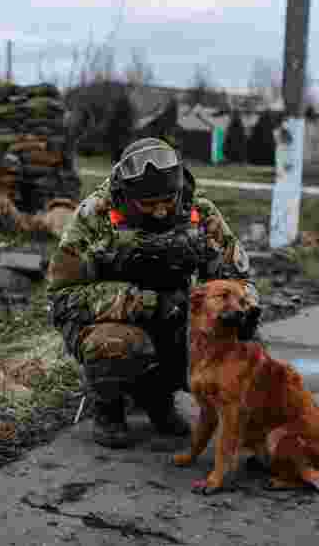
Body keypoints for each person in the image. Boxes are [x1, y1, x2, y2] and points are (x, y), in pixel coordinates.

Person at [46, 137, 261, 448]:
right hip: (115, 323)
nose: (161, 212)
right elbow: (63, 297)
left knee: (245, 341)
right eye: (148, 204)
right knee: (117, 344)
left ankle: (159, 401)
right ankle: (108, 409)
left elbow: (236, 278)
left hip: (178, 315)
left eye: (168, 200)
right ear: (127, 196)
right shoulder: (95, 216)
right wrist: (145, 303)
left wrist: (244, 307)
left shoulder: (200, 213)